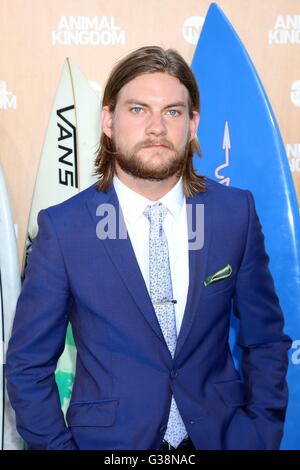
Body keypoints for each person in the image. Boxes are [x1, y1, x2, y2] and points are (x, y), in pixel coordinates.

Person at [6, 46, 291, 450]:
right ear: (108, 120)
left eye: (172, 112)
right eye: (138, 109)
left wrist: (258, 434)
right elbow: (26, 366)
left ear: (192, 124)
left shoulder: (233, 215)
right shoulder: (65, 228)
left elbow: (265, 341)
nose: (156, 127)